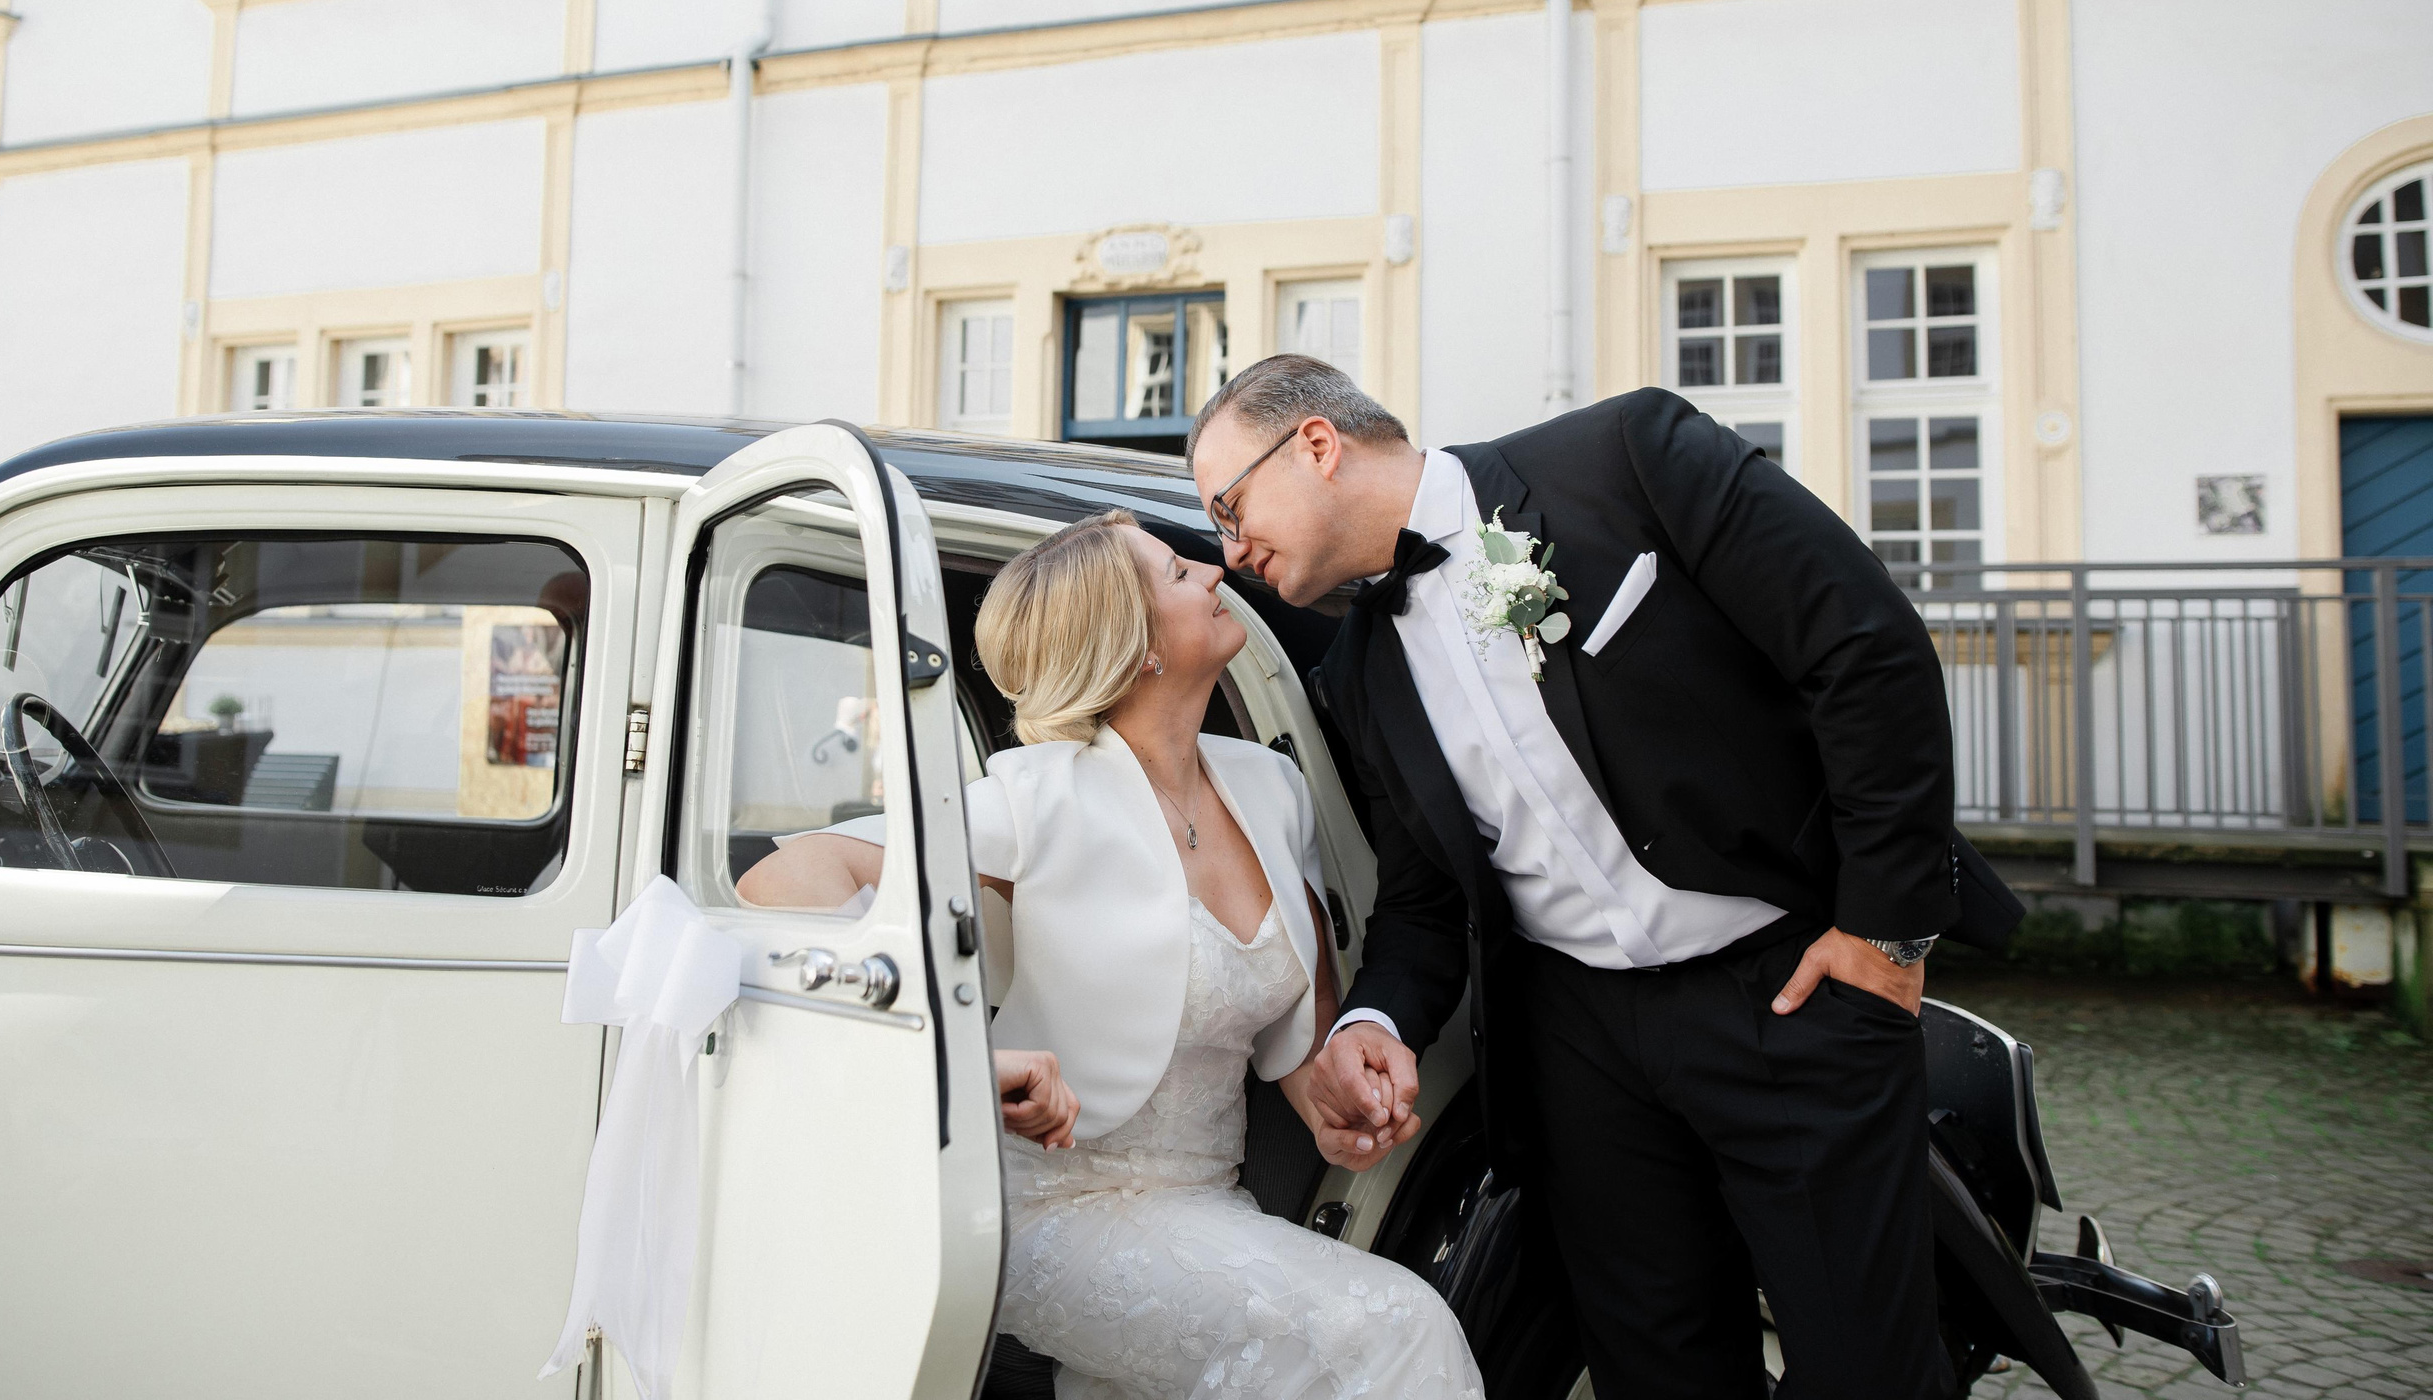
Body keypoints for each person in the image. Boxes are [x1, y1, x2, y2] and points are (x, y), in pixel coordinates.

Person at [1184, 357, 2027, 1400]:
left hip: (1786, 991)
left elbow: (1865, 650)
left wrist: (1885, 935)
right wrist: (1375, 1025)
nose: (1230, 549)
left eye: (1229, 506)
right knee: (1655, 1368)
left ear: (1315, 443)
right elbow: (1422, 901)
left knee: (1868, 1368)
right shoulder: (1355, 674)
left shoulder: (1627, 460)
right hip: (1579, 1049)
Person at [737, 510, 1481, 1400]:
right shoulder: (1032, 798)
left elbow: (1307, 1053)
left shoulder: (1270, 789)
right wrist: (952, 1053)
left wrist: (1347, 1108)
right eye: (1177, 572)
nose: (1212, 575)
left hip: (1209, 1209)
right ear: (1135, 648)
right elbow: (785, 880)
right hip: (1055, 1215)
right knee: (1393, 1329)